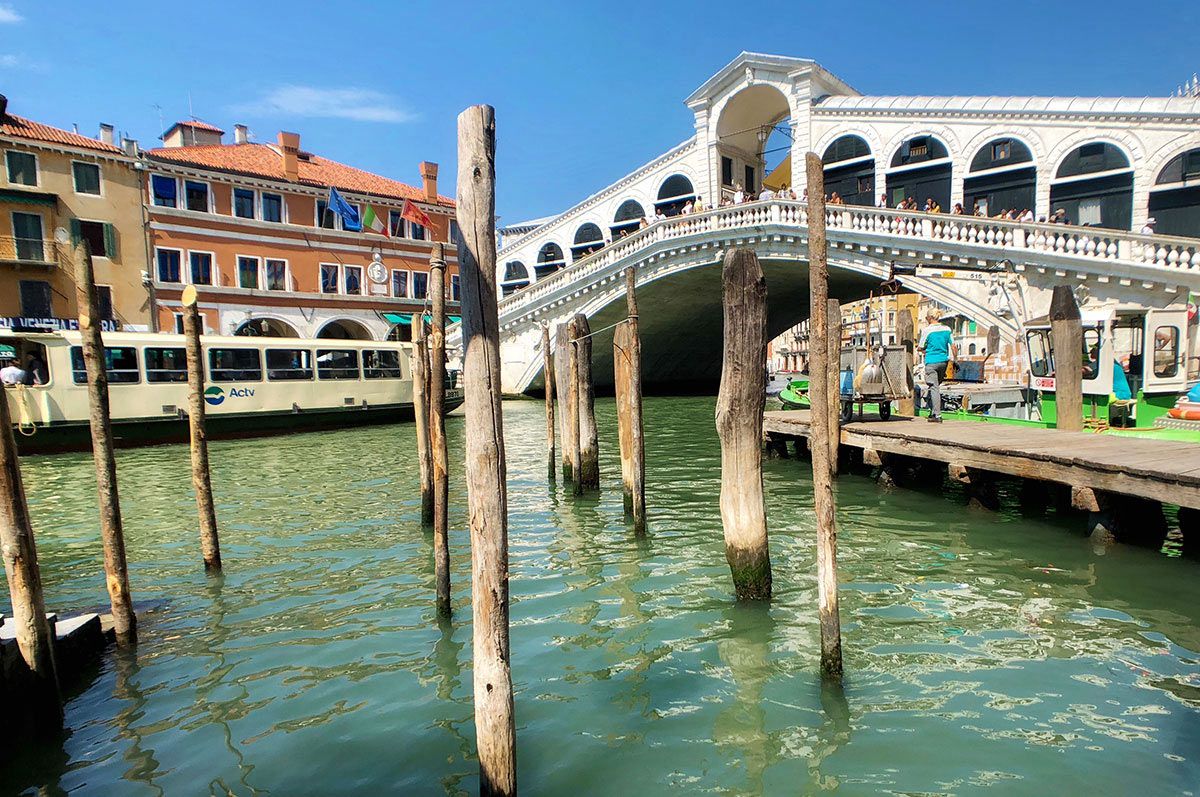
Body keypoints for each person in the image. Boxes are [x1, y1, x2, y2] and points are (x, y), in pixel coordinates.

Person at [917, 311, 955, 423]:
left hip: (931, 362)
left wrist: (924, 350)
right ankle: (933, 412)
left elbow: (920, 347)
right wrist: (955, 360)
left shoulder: (927, 330)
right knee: (935, 387)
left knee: (934, 387)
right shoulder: (947, 329)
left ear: (929, 318)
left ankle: (937, 415)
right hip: (944, 362)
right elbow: (953, 346)